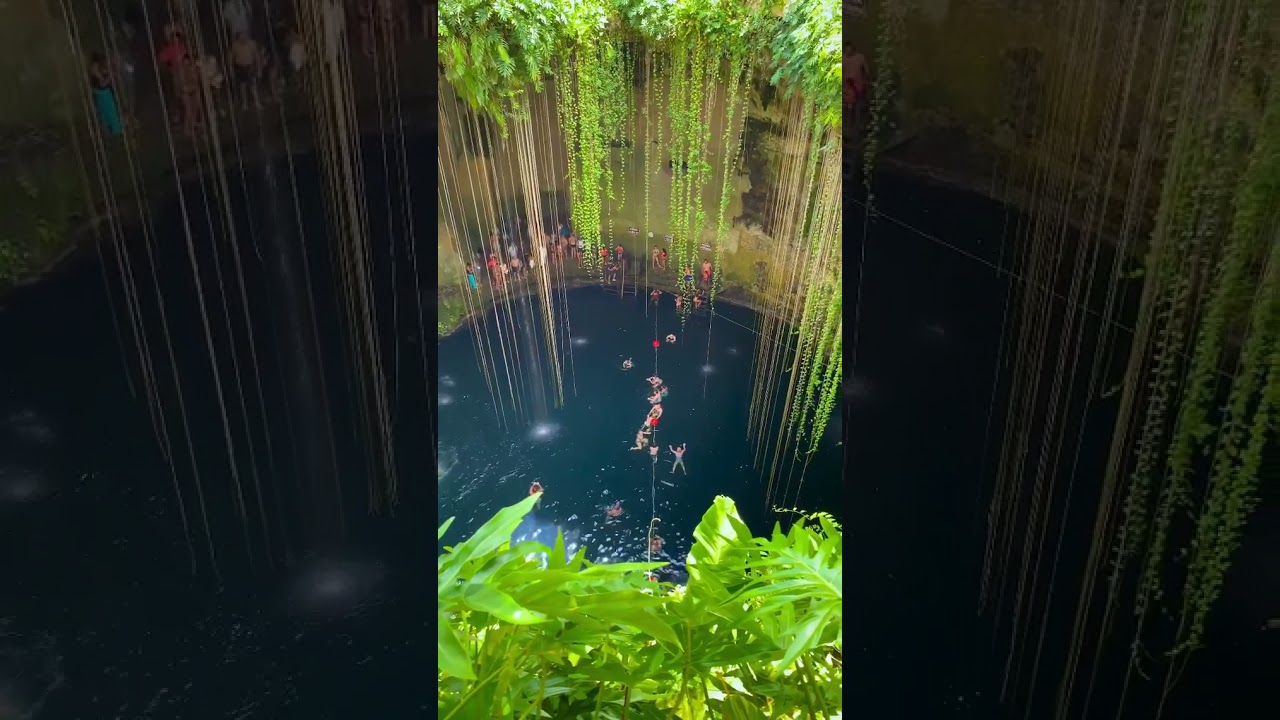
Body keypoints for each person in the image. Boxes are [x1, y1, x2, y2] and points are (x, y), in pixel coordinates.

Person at [88, 53, 124, 137]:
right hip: (103, 93)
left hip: (101, 93)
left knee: (104, 112)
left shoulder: (94, 67)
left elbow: (103, 73)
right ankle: (115, 129)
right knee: (110, 111)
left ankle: (108, 130)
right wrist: (110, 77)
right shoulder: (94, 68)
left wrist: (111, 72)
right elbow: (102, 84)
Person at [230, 32, 263, 110]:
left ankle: (257, 102)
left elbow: (256, 56)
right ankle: (245, 103)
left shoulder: (252, 43)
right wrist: (231, 69)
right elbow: (231, 58)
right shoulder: (235, 46)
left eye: (244, 36)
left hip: (250, 66)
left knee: (253, 85)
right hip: (240, 67)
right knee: (242, 86)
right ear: (238, 38)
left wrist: (259, 69)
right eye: (241, 37)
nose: (243, 38)